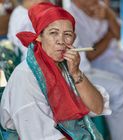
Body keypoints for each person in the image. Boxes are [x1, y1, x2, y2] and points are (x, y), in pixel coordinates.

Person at [0, 2, 111, 140]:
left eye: (67, 34)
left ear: (73, 39)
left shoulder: (66, 67)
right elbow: (42, 136)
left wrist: (76, 73)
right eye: (53, 33)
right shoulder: (26, 77)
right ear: (39, 37)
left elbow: (97, 107)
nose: (61, 41)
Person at [67, 0, 123, 140]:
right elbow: (90, 54)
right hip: (98, 61)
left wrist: (108, 14)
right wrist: (108, 35)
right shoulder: (72, 16)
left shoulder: (100, 6)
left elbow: (118, 33)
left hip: (116, 53)